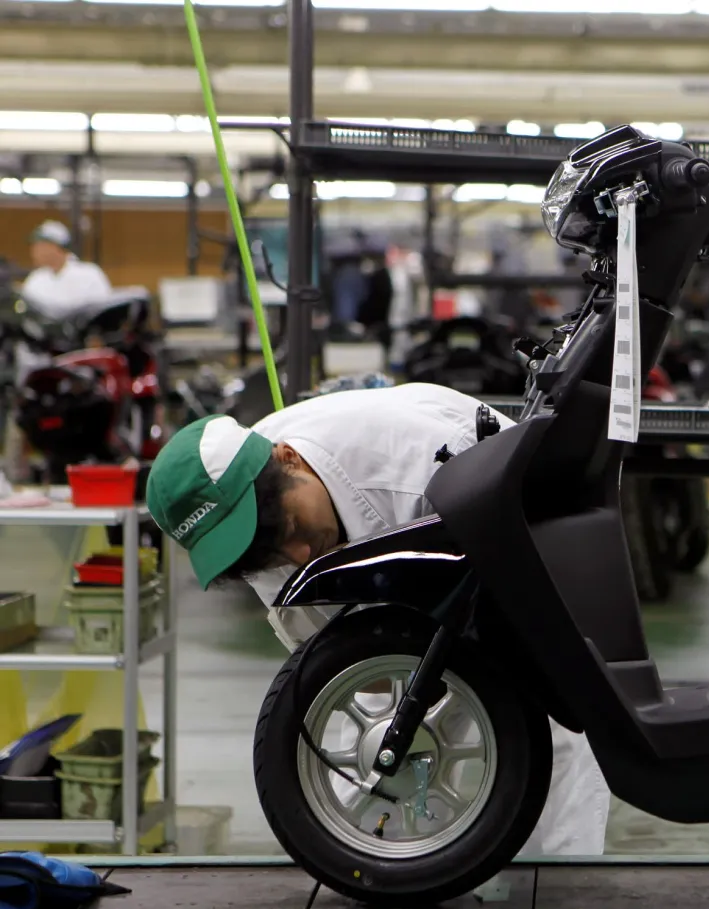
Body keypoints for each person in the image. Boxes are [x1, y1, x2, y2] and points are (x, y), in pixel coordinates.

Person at [144, 382, 610, 858]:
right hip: (405, 550)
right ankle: (383, 862)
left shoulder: (421, 470)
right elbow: (347, 675)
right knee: (369, 701)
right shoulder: (254, 525)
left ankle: (566, 878)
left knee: (550, 719)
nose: (299, 555)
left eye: (292, 529)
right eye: (265, 555)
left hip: (507, 522)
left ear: (290, 459)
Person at [20, 221, 111, 318]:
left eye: (39, 246)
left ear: (56, 247)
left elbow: (103, 312)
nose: (34, 251)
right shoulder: (35, 278)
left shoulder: (90, 274)